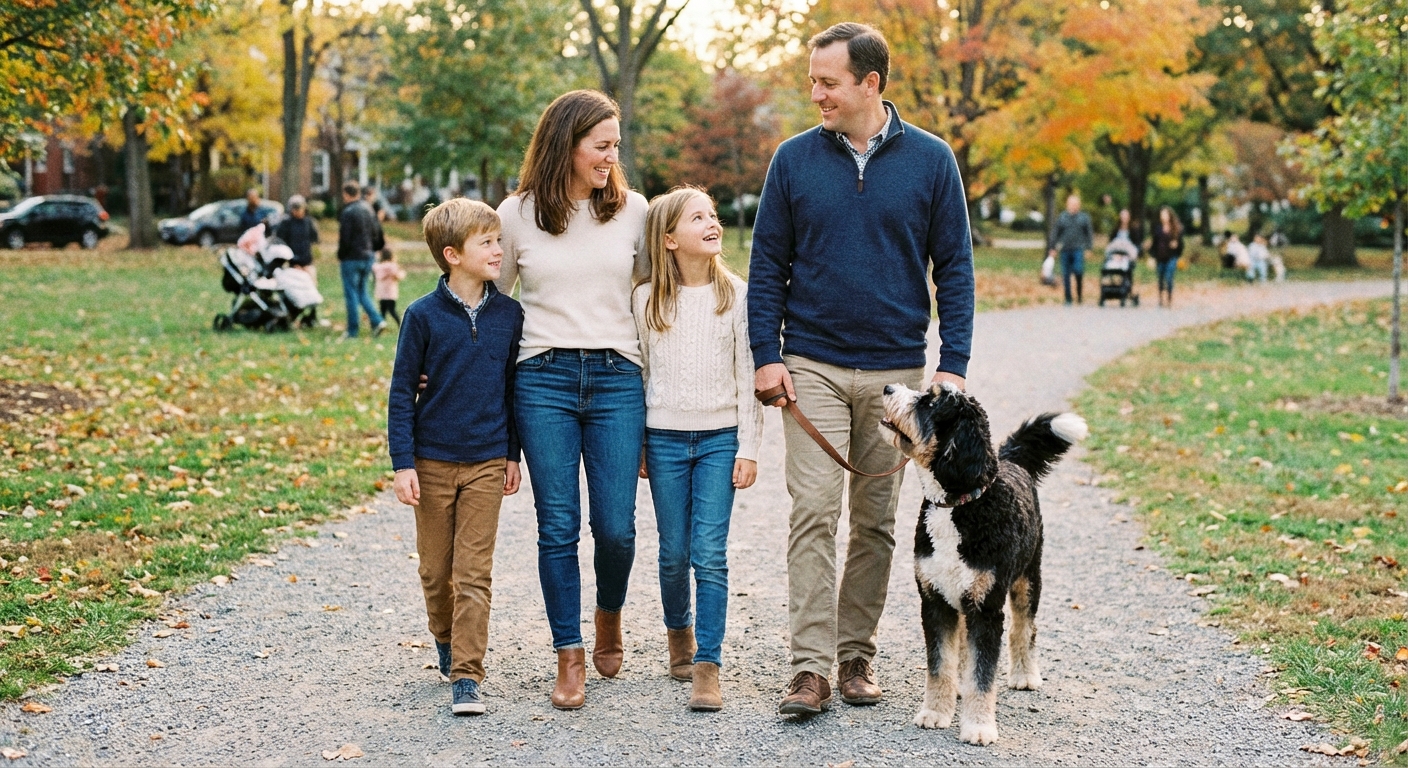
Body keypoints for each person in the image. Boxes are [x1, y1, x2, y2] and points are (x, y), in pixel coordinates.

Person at [748, 22, 974, 717]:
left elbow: (956, 269)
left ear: (869, 84)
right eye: (812, 80)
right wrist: (766, 356)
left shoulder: (933, 161)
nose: (815, 93)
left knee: (875, 520)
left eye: (828, 82)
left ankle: (856, 655)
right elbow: (766, 270)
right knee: (813, 511)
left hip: (895, 372)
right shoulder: (792, 160)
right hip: (809, 361)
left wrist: (954, 366)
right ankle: (809, 669)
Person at [495, 90, 649, 711]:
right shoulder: (516, 213)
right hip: (544, 379)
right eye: (601, 146)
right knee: (556, 526)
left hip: (618, 378)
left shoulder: (635, 211)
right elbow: (490, 303)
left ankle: (608, 612)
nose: (612, 157)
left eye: (616, 146)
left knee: (615, 528)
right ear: (566, 144)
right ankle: (569, 651)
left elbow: (655, 302)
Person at [388, 198, 524, 717]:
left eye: (498, 239)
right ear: (452, 255)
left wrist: (511, 454)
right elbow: (402, 392)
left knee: (473, 573)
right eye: (486, 242)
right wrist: (404, 463)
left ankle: (467, 675)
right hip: (432, 461)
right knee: (434, 572)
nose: (498, 250)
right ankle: (444, 639)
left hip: (488, 459)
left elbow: (513, 390)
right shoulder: (421, 316)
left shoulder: (510, 315)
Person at [633, 187, 762, 713]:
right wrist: (639, 442)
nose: (712, 224)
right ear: (668, 239)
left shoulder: (736, 295)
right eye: (697, 218)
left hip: (718, 439)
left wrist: (748, 448)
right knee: (673, 553)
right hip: (663, 439)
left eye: (714, 215)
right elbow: (638, 373)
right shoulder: (645, 300)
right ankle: (678, 635)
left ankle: (707, 666)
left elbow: (748, 375)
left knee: (709, 554)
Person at [337, 181, 387, 338]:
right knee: (362, 292)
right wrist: (375, 249)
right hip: (368, 256)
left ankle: (352, 330)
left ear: (346, 194)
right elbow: (378, 233)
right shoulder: (369, 209)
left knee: (351, 293)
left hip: (352, 257)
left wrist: (341, 255)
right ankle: (378, 320)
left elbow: (345, 239)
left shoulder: (348, 212)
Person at [1049, 193, 1093, 304]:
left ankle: (1079, 295)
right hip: (1065, 249)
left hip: (1078, 249)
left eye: (1075, 204)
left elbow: (1089, 234)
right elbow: (1055, 233)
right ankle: (1068, 298)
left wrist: (1089, 248)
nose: (1073, 206)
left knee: (1078, 271)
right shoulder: (1062, 217)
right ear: (1067, 205)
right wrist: (1052, 247)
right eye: (1071, 204)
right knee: (1066, 274)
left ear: (1079, 205)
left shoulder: (1084, 218)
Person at [1149, 206, 1183, 307]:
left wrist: (1176, 246)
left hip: (1171, 256)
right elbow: (1154, 243)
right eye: (1162, 215)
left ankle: (1169, 298)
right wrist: (1152, 256)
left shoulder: (1176, 228)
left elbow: (1181, 245)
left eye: (1165, 214)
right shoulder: (1158, 229)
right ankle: (1160, 298)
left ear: (1170, 215)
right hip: (1160, 256)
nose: (1163, 216)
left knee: (1169, 277)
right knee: (1160, 278)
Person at [374, 247, 407, 326]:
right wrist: (403, 273)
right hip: (390, 293)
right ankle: (400, 325)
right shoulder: (393, 267)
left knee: (382, 311)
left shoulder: (378, 267)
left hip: (381, 293)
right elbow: (399, 276)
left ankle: (381, 325)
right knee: (392, 310)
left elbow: (376, 276)